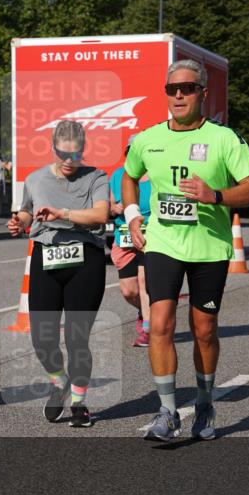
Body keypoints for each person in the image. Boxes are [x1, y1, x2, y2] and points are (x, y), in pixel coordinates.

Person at [122, 59, 249, 441]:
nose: (179, 95)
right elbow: (129, 177)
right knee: (159, 324)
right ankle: (167, 410)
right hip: (164, 243)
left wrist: (214, 195)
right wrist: (133, 216)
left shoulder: (224, 139)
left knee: (204, 329)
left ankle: (204, 402)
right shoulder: (149, 139)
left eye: (187, 88)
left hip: (210, 247)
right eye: (172, 89)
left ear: (202, 92)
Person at [8, 120, 109, 428]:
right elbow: (27, 210)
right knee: (42, 338)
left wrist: (62, 213)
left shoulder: (96, 177)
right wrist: (20, 221)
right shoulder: (36, 179)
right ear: (52, 149)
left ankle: (79, 402)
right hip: (46, 257)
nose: (69, 161)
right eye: (63, 154)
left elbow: (100, 214)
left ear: (83, 150)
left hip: (85, 260)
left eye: (76, 154)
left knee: (77, 338)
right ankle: (59, 381)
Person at [109, 136, 152, 347]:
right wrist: (113, 208)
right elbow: (108, 205)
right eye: (130, 151)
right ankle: (143, 312)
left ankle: (147, 329)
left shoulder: (157, 176)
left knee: (144, 283)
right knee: (129, 290)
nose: (134, 154)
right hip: (123, 238)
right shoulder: (118, 176)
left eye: (139, 150)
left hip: (149, 237)